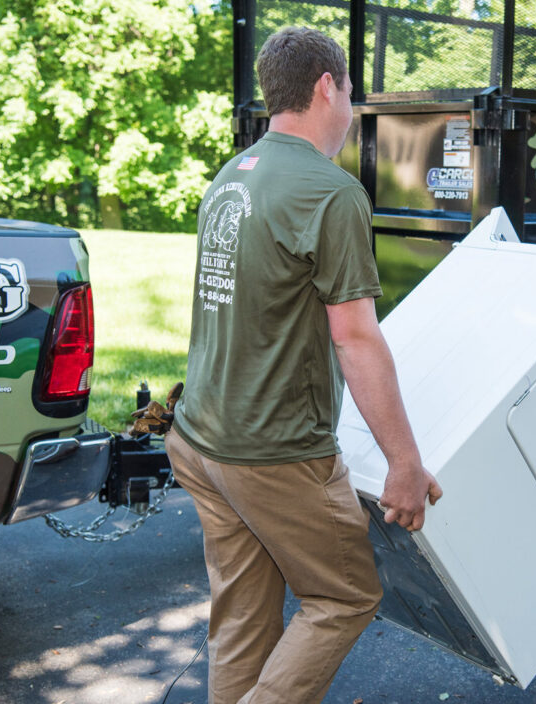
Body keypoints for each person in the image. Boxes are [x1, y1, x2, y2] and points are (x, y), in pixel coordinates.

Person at [164, 27, 442, 704]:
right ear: (327, 87)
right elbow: (355, 339)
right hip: (274, 451)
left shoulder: (232, 176)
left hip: (201, 437)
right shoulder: (329, 191)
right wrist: (404, 462)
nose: (350, 106)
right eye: (349, 91)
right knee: (344, 595)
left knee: (243, 619)